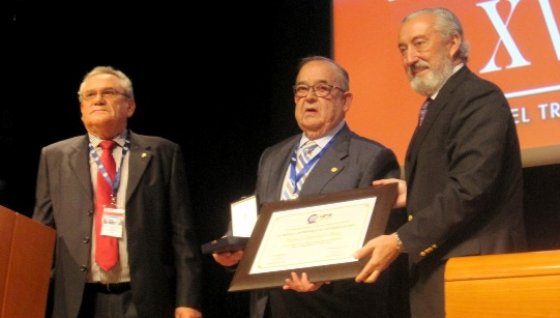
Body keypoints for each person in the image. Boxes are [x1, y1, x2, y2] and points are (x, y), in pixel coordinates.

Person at [353, 7, 527, 318]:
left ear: (453, 43)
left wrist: (399, 240)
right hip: (444, 273)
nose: (409, 58)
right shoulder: (438, 104)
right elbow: (456, 175)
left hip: (474, 274)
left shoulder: (478, 98)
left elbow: (471, 188)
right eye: (403, 49)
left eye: (419, 43)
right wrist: (413, 191)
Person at [213, 56, 409, 318]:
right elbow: (259, 221)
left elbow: (380, 248)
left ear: (346, 100)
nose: (310, 97)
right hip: (271, 306)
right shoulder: (272, 156)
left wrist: (326, 277)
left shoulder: (371, 158)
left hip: (331, 308)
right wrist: (235, 248)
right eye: (302, 89)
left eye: (323, 89)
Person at [32, 66, 203, 318]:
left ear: (130, 107)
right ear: (81, 110)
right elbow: (41, 233)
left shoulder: (162, 153)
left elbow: (183, 233)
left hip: (143, 299)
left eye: (109, 92)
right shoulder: (54, 157)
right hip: (77, 303)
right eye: (89, 96)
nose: (98, 99)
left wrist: (189, 300)